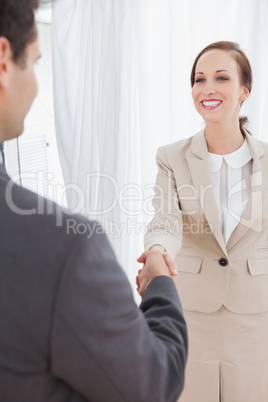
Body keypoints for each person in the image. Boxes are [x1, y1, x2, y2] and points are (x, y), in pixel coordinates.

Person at [0, 1, 188, 401]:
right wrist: (160, 282)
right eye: (34, 62)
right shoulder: (66, 248)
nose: (35, 83)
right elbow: (154, 383)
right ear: (4, 61)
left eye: (221, 77)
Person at [142, 40, 268, 402]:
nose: (207, 88)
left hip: (256, 314)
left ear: (245, 90)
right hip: (191, 312)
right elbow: (165, 218)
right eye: (199, 79)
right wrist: (157, 251)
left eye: (221, 78)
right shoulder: (171, 157)